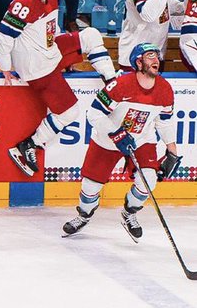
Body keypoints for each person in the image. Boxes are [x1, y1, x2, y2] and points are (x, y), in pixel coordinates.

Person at [0, 0, 116, 179]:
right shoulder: (22, 5)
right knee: (69, 112)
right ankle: (29, 144)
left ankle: (112, 83)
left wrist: (66, 57)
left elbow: (49, 31)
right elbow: (2, 40)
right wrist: (5, 68)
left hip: (51, 54)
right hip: (37, 68)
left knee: (91, 35)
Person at [62, 43, 178, 242]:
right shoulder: (121, 85)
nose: (156, 60)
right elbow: (94, 113)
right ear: (138, 61)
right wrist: (116, 133)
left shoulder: (165, 89)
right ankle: (84, 215)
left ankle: (128, 213)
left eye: (157, 56)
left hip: (141, 140)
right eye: (150, 56)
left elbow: (164, 121)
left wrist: (172, 150)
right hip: (107, 140)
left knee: (149, 179)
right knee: (90, 187)